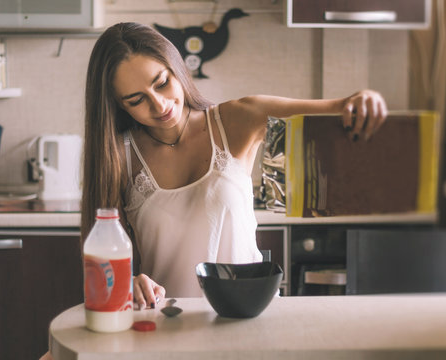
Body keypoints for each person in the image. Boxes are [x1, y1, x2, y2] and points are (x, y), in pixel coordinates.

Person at [81, 22, 388, 309]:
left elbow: (339, 110)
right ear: (118, 105)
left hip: (252, 315)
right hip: (167, 324)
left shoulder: (237, 120)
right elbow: (103, 263)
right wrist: (128, 282)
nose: (160, 105)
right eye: (137, 100)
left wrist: (364, 99)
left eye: (162, 83)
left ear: (177, 68)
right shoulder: (119, 155)